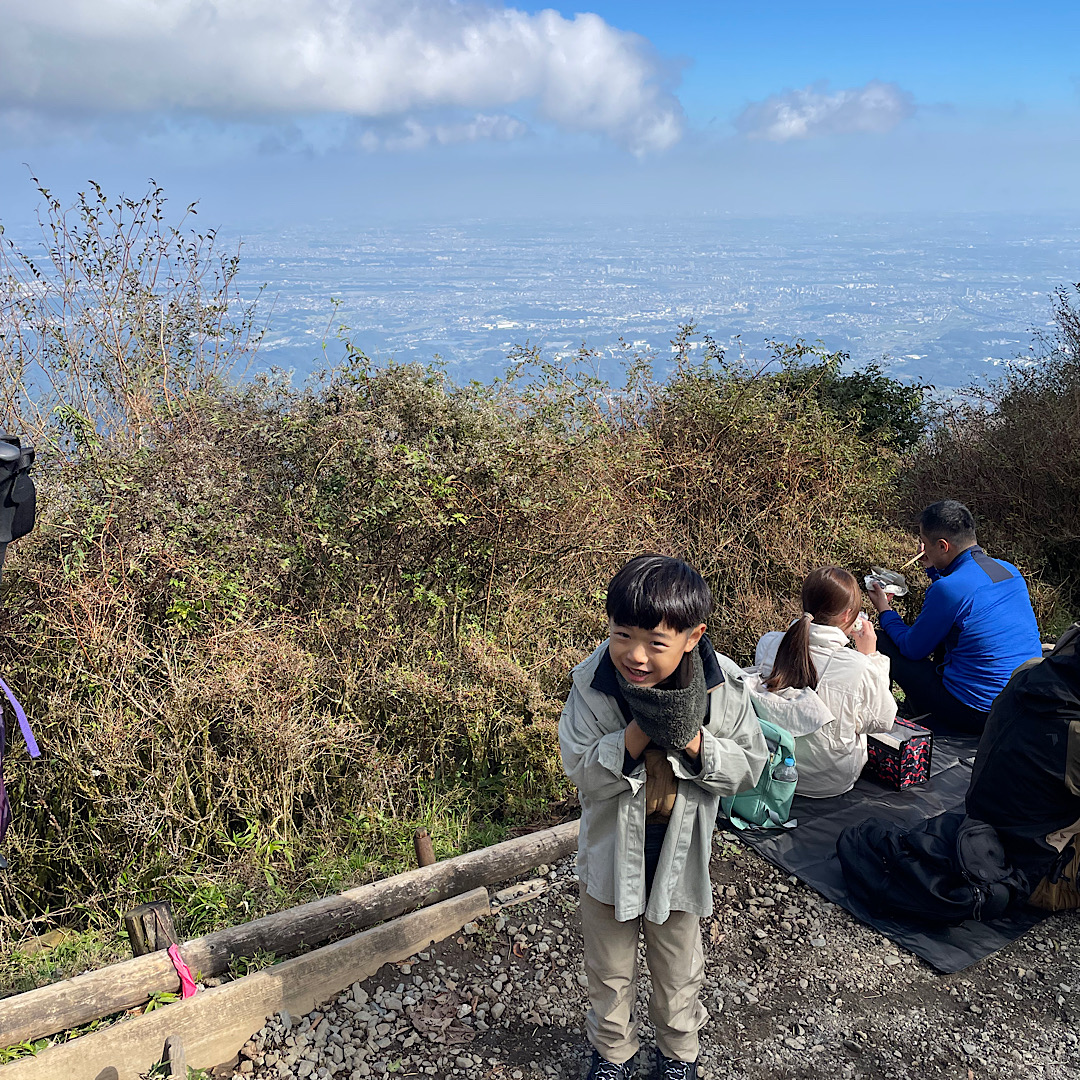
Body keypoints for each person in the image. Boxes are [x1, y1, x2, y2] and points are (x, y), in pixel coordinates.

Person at [559, 554, 767, 1080]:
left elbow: (749, 767)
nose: (635, 655)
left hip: (681, 851)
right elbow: (581, 769)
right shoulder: (592, 685)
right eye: (622, 634)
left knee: (678, 967)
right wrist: (639, 733)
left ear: (693, 636)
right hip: (610, 850)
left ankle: (679, 1055)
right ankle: (612, 1054)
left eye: (656, 642)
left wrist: (692, 740)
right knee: (609, 968)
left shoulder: (723, 689)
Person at [868, 499, 1042, 734]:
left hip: (975, 712)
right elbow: (962, 595)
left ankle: (878, 720)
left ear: (942, 546)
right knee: (954, 633)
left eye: (924, 543)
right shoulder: (1008, 570)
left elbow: (911, 648)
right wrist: (933, 569)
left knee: (879, 639)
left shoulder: (947, 590)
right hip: (1018, 703)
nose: (922, 549)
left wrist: (884, 610)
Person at [745, 567, 897, 798]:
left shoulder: (769, 643)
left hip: (772, 769)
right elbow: (883, 720)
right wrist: (871, 657)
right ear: (848, 616)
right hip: (828, 782)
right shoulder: (857, 666)